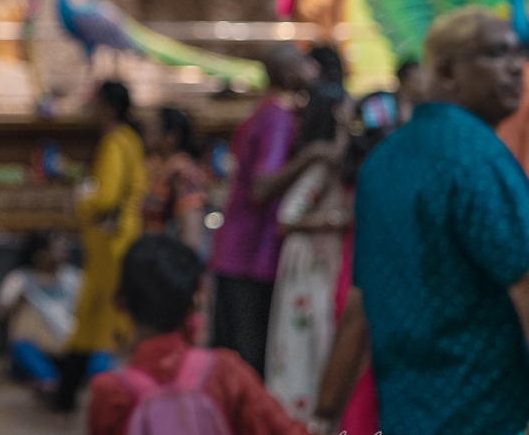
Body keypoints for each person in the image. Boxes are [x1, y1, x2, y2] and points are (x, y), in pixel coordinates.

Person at [353, 6, 529, 435]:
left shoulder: (383, 162)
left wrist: (328, 418)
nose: (516, 67)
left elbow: (358, 307)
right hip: (488, 432)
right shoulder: (476, 155)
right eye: (497, 54)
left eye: (519, 52)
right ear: (447, 70)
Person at [85, 236, 357, 435]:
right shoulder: (223, 372)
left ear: (120, 301)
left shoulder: (109, 392)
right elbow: (282, 432)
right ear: (196, 301)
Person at [250, 87, 351, 435]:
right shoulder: (319, 166)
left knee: (315, 358)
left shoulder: (333, 166)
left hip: (316, 274)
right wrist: (338, 222)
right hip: (307, 279)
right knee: (303, 362)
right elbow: (288, 219)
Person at [210, 43, 331, 379]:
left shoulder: (264, 112)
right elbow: (263, 187)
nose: (313, 71)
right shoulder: (278, 117)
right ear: (288, 72)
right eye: (305, 64)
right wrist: (315, 155)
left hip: (237, 250)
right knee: (250, 354)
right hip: (251, 253)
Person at [311, 91, 401, 435]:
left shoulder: (354, 167)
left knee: (360, 379)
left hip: (353, 278)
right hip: (370, 281)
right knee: (367, 379)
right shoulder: (388, 169)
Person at [54, 81, 147, 412]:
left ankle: (120, 400)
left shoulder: (115, 142)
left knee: (105, 322)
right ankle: (68, 398)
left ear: (108, 108)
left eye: (94, 104)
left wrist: (83, 199)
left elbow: (106, 196)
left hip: (111, 248)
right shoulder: (129, 140)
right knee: (98, 323)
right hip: (117, 244)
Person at [0, 230, 83, 397]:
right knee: (23, 346)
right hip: (36, 350)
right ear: (40, 254)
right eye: (58, 248)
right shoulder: (20, 280)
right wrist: (17, 302)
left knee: (99, 352)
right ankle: (49, 382)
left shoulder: (73, 278)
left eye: (65, 248)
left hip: (70, 349)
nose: (65, 252)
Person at [141, 107, 207, 252]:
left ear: (172, 137)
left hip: (167, 264)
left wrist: (182, 268)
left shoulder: (182, 173)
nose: (147, 131)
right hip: (153, 259)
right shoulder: (158, 166)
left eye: (154, 128)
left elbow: (191, 235)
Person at [394, 58, 427, 125]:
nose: (424, 83)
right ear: (404, 81)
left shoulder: (426, 104)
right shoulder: (382, 101)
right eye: (418, 79)